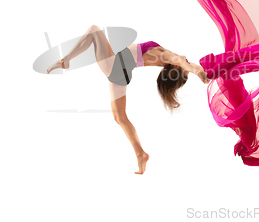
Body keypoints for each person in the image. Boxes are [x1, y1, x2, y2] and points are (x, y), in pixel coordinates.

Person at [47, 25, 210, 174]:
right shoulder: (169, 59)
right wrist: (203, 72)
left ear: (175, 68)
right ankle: (140, 154)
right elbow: (193, 65)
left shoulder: (169, 58)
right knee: (119, 117)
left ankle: (66, 60)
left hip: (116, 65)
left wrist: (195, 72)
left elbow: (183, 62)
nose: (188, 62)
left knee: (93, 31)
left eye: (185, 68)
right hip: (121, 71)